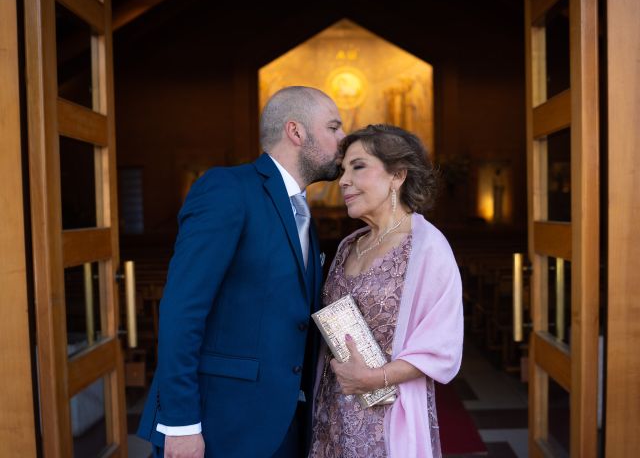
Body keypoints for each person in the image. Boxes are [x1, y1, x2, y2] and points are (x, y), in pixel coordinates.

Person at [136, 86, 346, 458]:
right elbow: (182, 310)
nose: (343, 139)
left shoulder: (302, 214)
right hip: (222, 422)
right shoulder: (227, 190)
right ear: (296, 132)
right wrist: (181, 422)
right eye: (334, 127)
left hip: (285, 422)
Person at [309, 124, 464, 458]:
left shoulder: (428, 248)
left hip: (387, 418)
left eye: (358, 166)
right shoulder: (350, 245)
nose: (343, 181)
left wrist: (373, 379)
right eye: (343, 170)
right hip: (331, 412)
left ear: (398, 175)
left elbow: (442, 348)